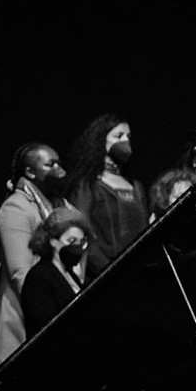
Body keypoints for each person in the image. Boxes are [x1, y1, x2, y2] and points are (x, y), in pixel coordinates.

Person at [0, 142, 65, 365]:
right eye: (50, 164)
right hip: (29, 318)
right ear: (30, 172)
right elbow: (20, 272)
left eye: (59, 164)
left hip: (56, 314)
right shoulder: (16, 208)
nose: (59, 170)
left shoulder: (59, 205)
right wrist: (47, 312)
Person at [66, 114, 148, 276]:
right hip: (104, 274)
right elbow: (82, 232)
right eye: (118, 136)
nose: (125, 141)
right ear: (100, 141)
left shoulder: (136, 186)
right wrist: (107, 270)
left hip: (139, 272)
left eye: (128, 136)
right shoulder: (88, 184)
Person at [19, 206, 92, 337]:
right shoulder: (38, 277)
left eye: (82, 242)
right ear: (53, 241)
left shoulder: (70, 274)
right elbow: (45, 324)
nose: (78, 247)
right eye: (71, 241)